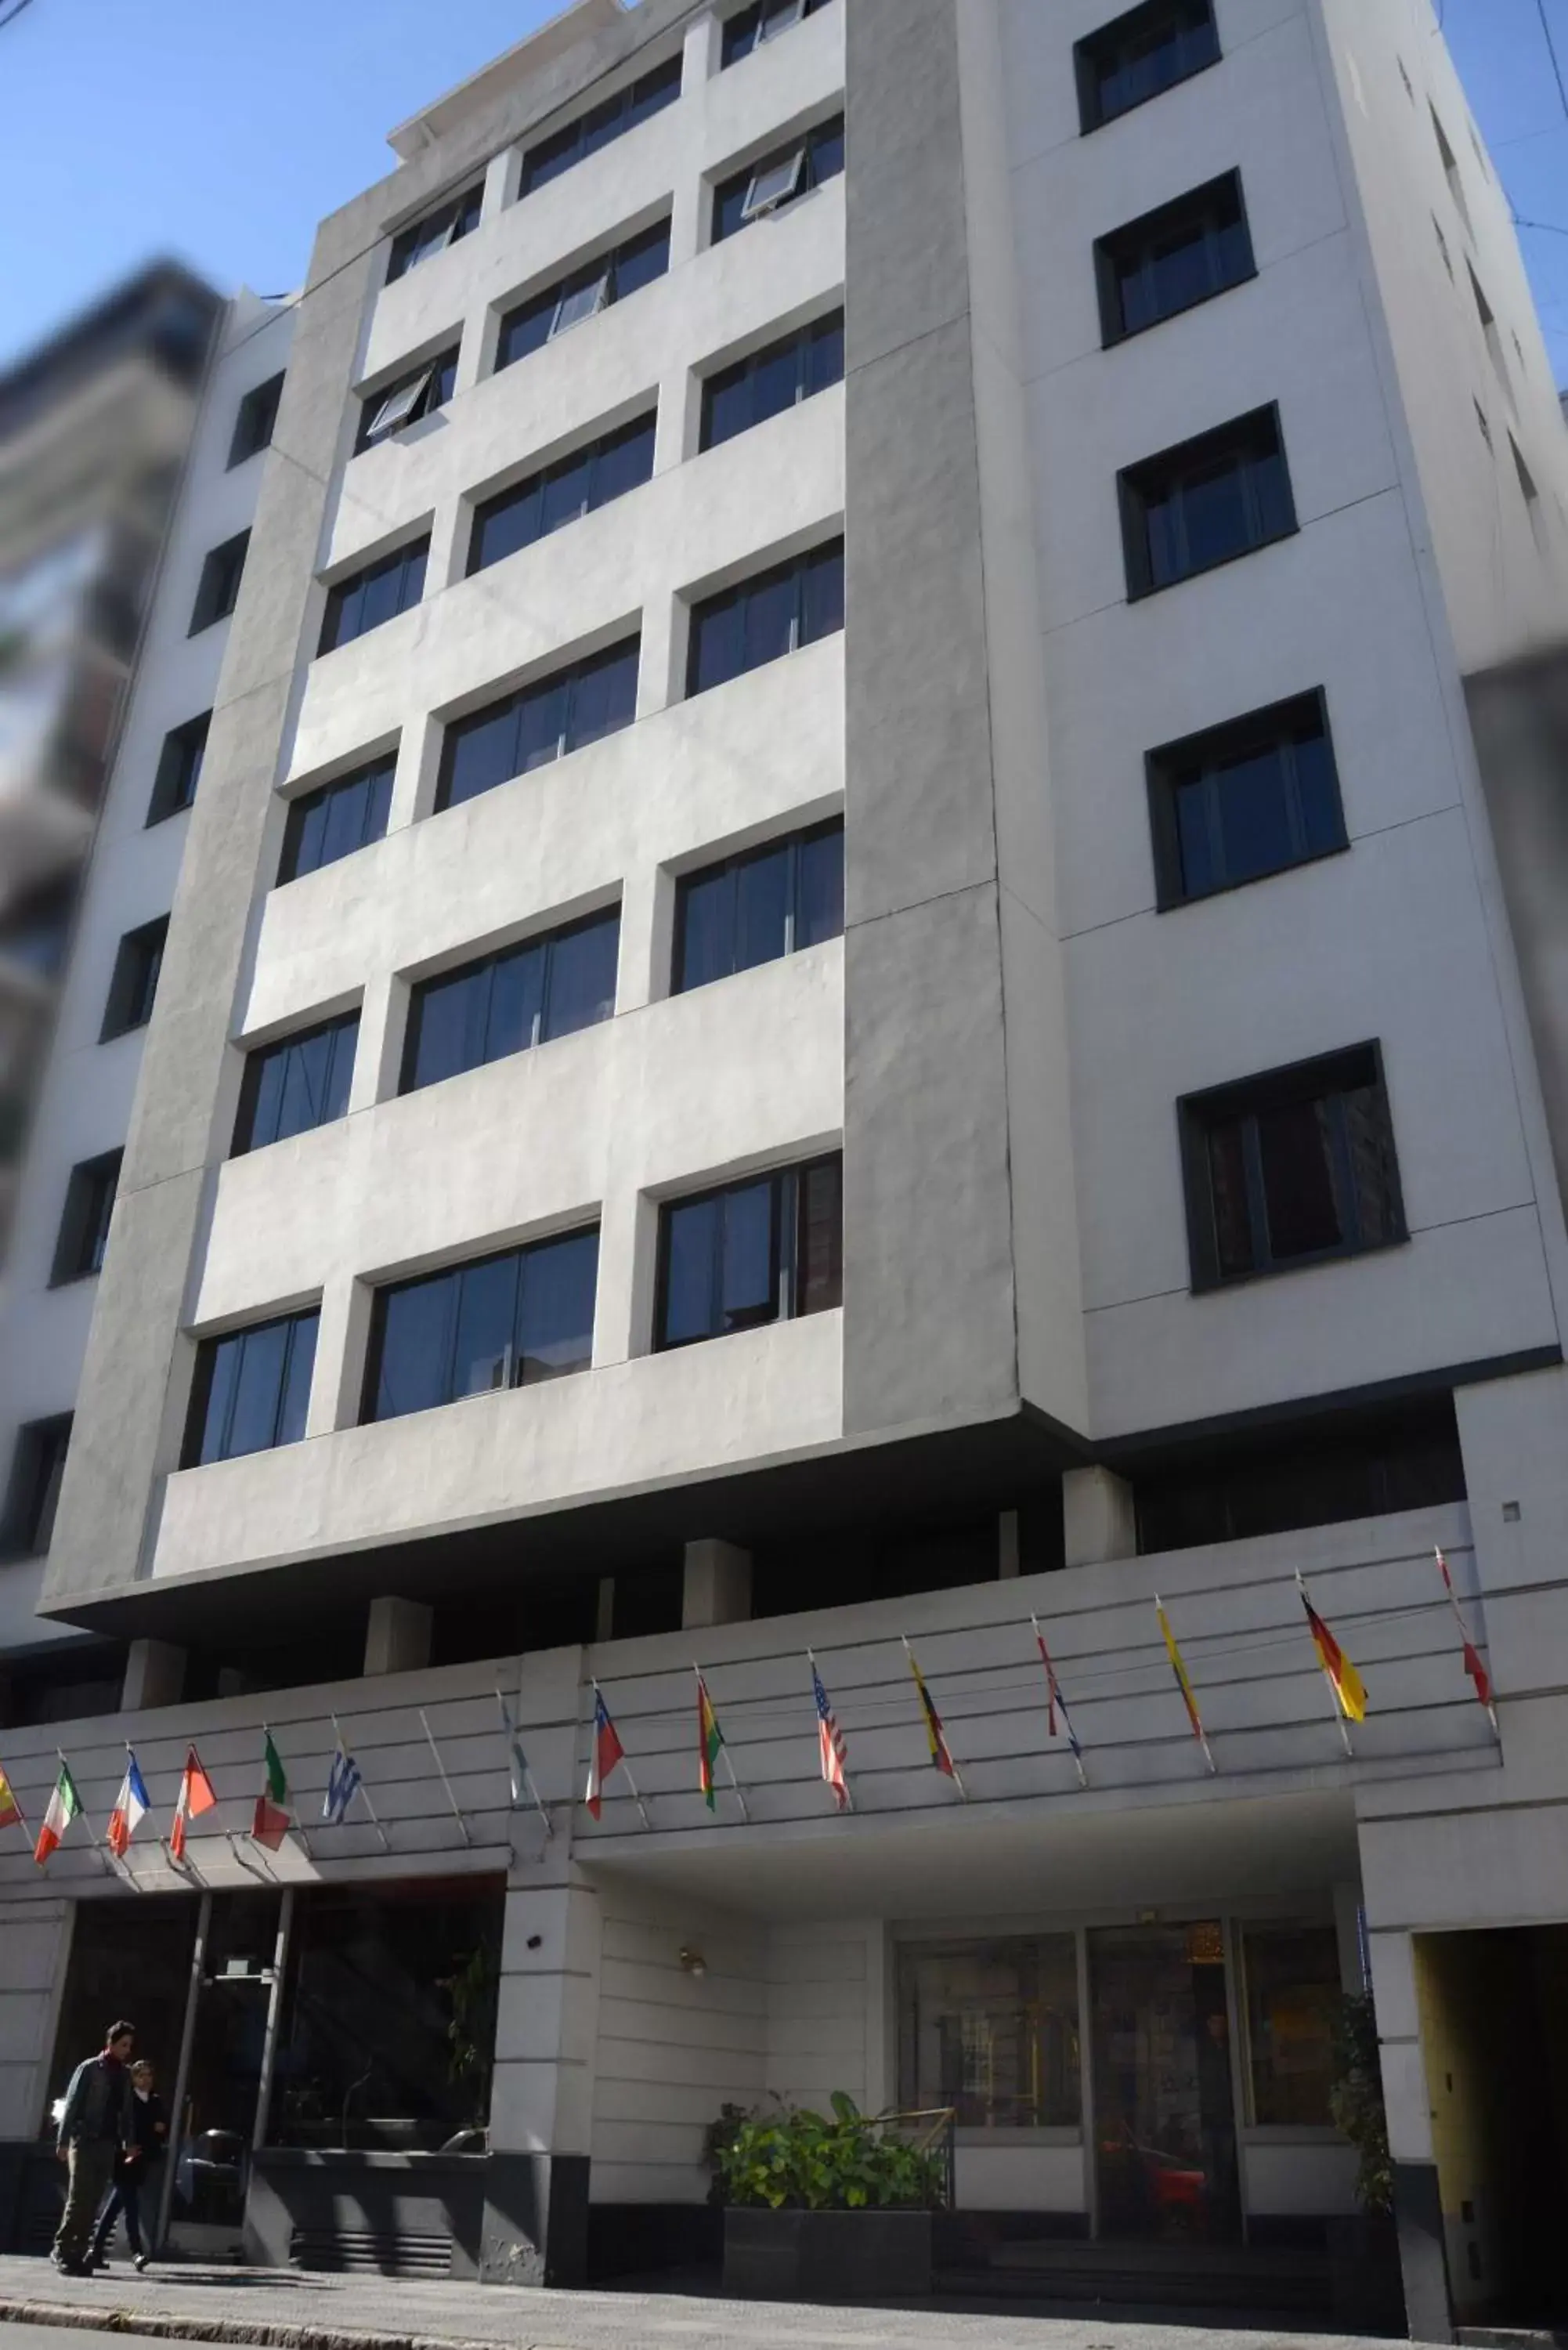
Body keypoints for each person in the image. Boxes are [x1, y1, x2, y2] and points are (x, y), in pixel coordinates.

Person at [52, 2022, 135, 2276]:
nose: (126, 2050)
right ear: (110, 2043)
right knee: (79, 2198)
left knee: (94, 2200)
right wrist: (63, 2141)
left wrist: (128, 2142)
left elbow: (127, 2112)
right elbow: (74, 2104)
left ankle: (79, 2252)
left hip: (107, 2144)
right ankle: (63, 2249)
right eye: (123, 2045)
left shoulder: (124, 2074)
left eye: (129, 2046)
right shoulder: (89, 2069)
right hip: (84, 2141)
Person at [91, 2058, 167, 2272]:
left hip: (142, 2159)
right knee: (131, 2206)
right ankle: (137, 2251)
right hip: (124, 2158)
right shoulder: (128, 2101)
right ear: (133, 2079)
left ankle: (95, 2250)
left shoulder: (155, 2101)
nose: (146, 2079)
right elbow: (124, 2127)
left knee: (115, 2206)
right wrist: (145, 2134)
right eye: (141, 2075)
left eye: (149, 2075)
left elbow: (162, 2128)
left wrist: (157, 2131)